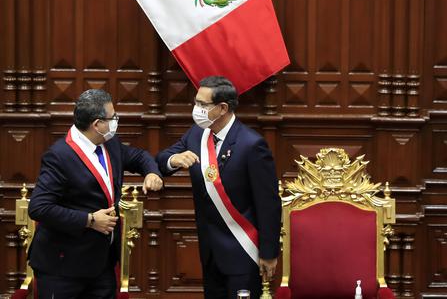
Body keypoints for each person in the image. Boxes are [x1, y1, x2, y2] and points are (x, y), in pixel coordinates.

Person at [28, 89, 163, 299]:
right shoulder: (59, 156)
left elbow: (138, 156)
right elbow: (39, 208)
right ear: (97, 123)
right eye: (113, 117)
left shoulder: (109, 143)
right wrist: (89, 220)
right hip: (63, 269)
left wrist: (152, 172)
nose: (116, 121)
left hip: (102, 265)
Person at [156, 76, 281, 298]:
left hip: (243, 250)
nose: (196, 109)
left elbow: (268, 203)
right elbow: (162, 159)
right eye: (196, 103)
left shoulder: (252, 144)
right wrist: (174, 160)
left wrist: (269, 252)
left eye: (202, 105)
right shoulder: (197, 134)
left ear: (222, 108)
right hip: (210, 251)